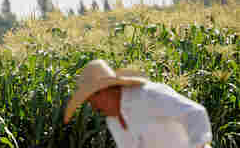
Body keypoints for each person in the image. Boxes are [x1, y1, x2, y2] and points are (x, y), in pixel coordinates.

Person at [64, 59, 212, 148]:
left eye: (92, 101)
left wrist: (199, 144)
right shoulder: (113, 121)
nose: (94, 108)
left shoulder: (149, 95)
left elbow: (195, 113)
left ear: (105, 91)